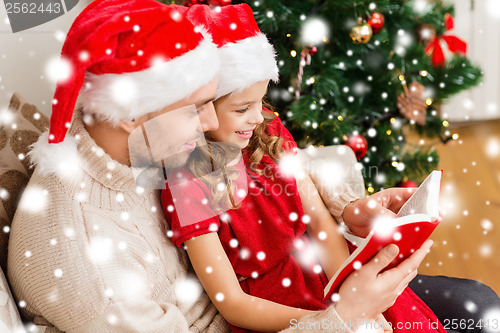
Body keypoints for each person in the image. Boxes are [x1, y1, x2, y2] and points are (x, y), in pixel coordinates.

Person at [6, 0, 432, 332]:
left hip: (306, 296)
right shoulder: (92, 273)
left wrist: (350, 207)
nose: (211, 124)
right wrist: (345, 317)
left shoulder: (148, 144)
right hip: (279, 318)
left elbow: (270, 174)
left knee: (478, 302)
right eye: (195, 109)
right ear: (130, 114)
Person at [162, 4, 443, 333]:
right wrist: (333, 321)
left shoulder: (268, 131)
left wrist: (346, 294)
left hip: (324, 275)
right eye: (241, 109)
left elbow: (319, 221)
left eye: (260, 102)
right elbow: (233, 304)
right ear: (201, 109)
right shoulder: (186, 184)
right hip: (275, 308)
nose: (256, 117)